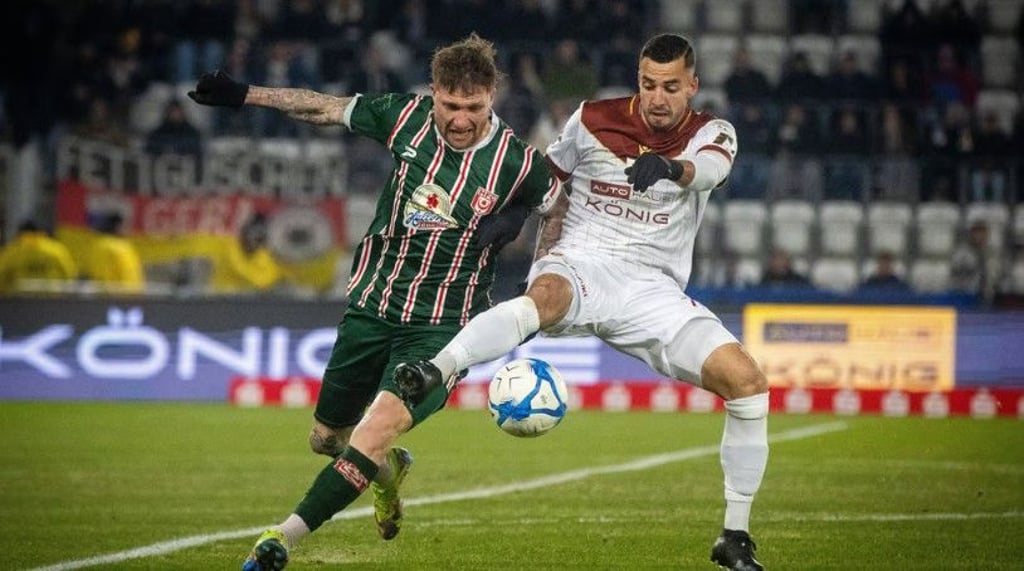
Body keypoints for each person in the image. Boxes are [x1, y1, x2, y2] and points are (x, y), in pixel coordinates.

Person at [395, 34, 768, 571]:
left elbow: (710, 170)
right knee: (545, 296)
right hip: (583, 261)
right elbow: (547, 175)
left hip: (654, 290)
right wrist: (515, 216)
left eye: (670, 87)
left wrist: (670, 169)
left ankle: (734, 537)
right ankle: (436, 369)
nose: (657, 98)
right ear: (637, 79)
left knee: (747, 383)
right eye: (648, 84)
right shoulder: (593, 118)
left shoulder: (713, 132)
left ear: (692, 86)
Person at [188, 33, 560, 571]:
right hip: (373, 305)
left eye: (474, 108)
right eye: (450, 106)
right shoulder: (405, 117)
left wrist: (528, 242)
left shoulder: (518, 161)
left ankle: (281, 539)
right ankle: (387, 475)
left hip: (442, 329)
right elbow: (324, 107)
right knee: (326, 439)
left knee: (375, 429)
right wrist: (247, 94)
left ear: (491, 99)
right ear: (433, 92)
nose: (460, 120)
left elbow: (557, 206)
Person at [209, 212, 285, 295]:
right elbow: (238, 268)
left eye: (260, 237)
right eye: (252, 233)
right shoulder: (230, 247)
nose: (255, 239)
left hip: (248, 300)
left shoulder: (266, 256)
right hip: (220, 297)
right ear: (244, 232)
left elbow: (263, 280)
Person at [0, 220, 78, 294]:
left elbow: (2, 276)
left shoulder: (12, 251)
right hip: (52, 298)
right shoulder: (56, 250)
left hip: (19, 299)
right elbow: (70, 273)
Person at [85, 212, 145, 294]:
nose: (128, 228)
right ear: (117, 226)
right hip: (115, 296)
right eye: (125, 225)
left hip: (126, 295)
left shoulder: (121, 245)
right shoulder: (109, 246)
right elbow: (104, 275)